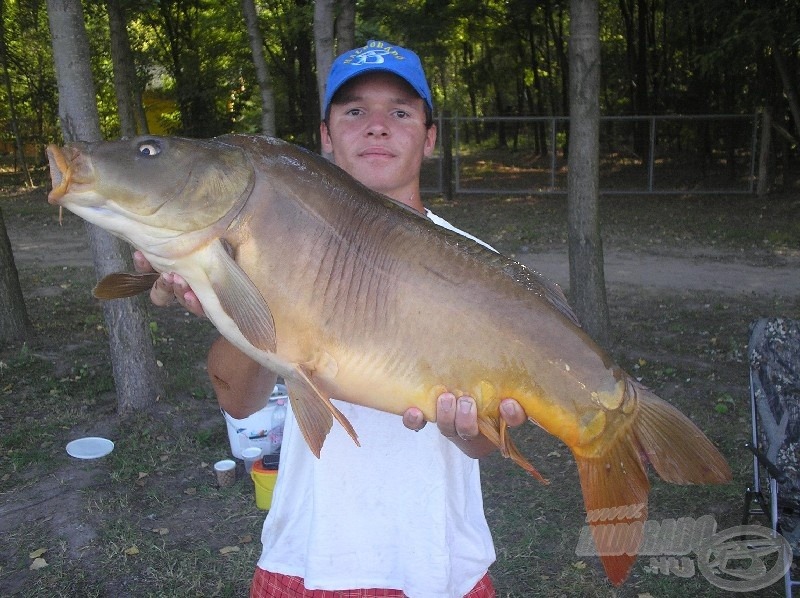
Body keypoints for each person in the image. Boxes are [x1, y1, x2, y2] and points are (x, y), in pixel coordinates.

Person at [134, 40, 527, 597]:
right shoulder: (269, 243)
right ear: (325, 134)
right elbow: (239, 401)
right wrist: (230, 296)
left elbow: (487, 444)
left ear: (429, 135)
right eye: (354, 110)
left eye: (399, 111)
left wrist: (471, 428)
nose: (376, 126)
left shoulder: (477, 269)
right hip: (306, 556)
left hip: (437, 565)